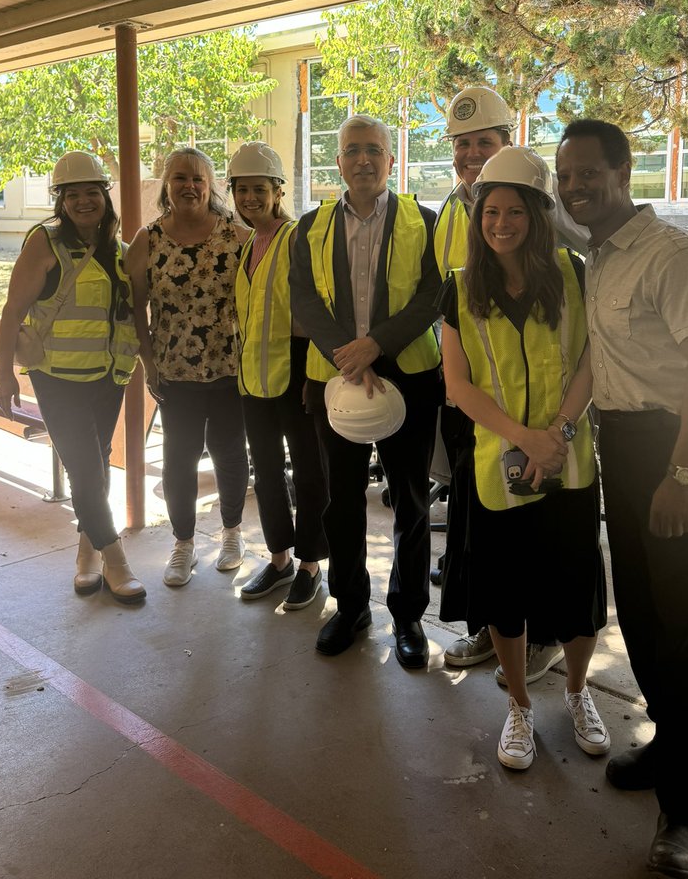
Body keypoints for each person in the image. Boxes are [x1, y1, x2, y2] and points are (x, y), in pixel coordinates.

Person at [555, 120, 688, 879]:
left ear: (624, 171)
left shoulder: (675, 255)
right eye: (566, 176)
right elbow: (605, 360)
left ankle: (686, 812)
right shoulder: (599, 257)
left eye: (589, 173)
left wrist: (685, 473)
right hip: (626, 448)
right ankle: (673, 740)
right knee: (640, 612)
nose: (575, 187)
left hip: (685, 451)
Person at [439, 145, 610, 770]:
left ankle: (576, 690)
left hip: (569, 463)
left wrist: (557, 433)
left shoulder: (577, 272)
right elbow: (458, 386)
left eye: (516, 211)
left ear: (540, 215)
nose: (501, 223)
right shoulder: (457, 288)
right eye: (491, 211)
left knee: (575, 588)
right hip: (497, 468)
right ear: (478, 215)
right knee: (505, 594)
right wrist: (525, 436)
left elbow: (594, 358)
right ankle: (518, 707)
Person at [436, 86, 584, 687]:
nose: (473, 155)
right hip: (482, 407)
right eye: (464, 145)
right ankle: (496, 629)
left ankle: (548, 638)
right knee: (485, 530)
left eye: (485, 143)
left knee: (554, 543)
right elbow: (441, 293)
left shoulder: (549, 215)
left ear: (507, 141)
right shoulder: (451, 209)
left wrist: (558, 430)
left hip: (554, 418)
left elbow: (579, 326)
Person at [289, 114, 442, 667]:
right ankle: (350, 607)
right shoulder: (310, 227)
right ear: (338, 162)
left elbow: (432, 296)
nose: (363, 160)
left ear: (391, 159)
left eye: (374, 150)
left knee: (411, 502)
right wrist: (346, 355)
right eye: (352, 150)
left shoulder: (423, 222)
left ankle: (407, 618)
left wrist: (374, 345)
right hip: (335, 381)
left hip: (409, 379)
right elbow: (303, 300)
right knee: (341, 503)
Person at [0, 150, 145, 603]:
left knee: (96, 464)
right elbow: (12, 311)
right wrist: (5, 375)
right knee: (83, 467)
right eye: (73, 194)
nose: (84, 201)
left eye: (92, 192)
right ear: (59, 200)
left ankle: (87, 554)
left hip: (108, 375)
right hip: (56, 377)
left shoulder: (118, 251)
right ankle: (116, 561)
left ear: (105, 196)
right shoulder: (44, 242)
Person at [127, 148, 251, 587]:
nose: (189, 186)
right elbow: (134, 307)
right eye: (179, 178)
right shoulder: (149, 239)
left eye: (198, 178)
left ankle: (232, 533)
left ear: (212, 184)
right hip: (174, 371)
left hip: (229, 368)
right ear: (166, 185)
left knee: (230, 452)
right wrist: (147, 360)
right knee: (178, 459)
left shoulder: (237, 237)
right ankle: (182, 545)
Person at [228, 142, 329, 610]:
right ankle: (280, 558)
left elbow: (314, 308)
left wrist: (314, 373)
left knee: (309, 470)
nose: (250, 198)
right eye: (242, 189)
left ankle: (310, 564)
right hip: (253, 378)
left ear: (278, 190)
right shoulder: (248, 243)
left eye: (259, 189)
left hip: (295, 372)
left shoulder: (296, 236)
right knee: (266, 471)